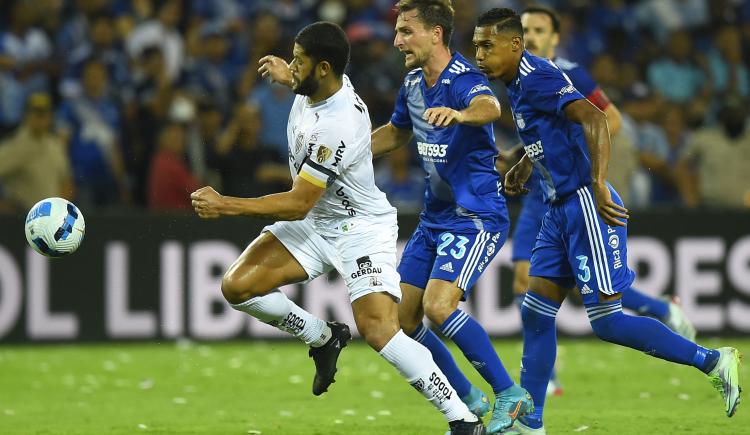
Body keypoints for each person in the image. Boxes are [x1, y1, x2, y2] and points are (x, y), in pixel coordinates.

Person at [191, 22, 486, 435]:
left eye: (299, 62)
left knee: (381, 330)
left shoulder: (337, 123)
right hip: (319, 223)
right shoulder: (317, 87)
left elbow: (296, 203)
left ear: (324, 69)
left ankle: (463, 419)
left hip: (359, 228)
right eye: (292, 59)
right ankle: (322, 336)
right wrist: (288, 73)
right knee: (237, 286)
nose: (292, 67)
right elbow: (305, 206)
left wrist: (226, 205)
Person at [473, 8, 741, 434]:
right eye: (476, 46)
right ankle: (531, 423)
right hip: (556, 209)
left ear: (514, 45)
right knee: (536, 312)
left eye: (487, 46)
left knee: (607, 321)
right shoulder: (518, 82)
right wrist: (525, 161)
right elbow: (551, 130)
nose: (479, 55)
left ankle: (712, 360)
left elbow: (595, 117)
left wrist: (598, 182)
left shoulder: (538, 76)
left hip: (583, 205)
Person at [510, 6, 697, 396]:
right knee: (527, 284)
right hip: (543, 197)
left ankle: (662, 312)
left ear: (555, 37)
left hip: (576, 189)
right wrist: (533, 157)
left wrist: (583, 157)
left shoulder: (569, 73)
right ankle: (544, 386)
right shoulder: (517, 78)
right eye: (525, 29)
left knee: (588, 294)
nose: (531, 37)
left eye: (539, 30)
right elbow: (543, 131)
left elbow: (609, 119)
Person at [371, 1, 532, 432]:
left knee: (439, 306)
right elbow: (398, 132)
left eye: (406, 31)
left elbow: (489, 108)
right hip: (433, 218)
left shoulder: (464, 79)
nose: (397, 40)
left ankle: (510, 394)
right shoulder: (411, 83)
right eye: (397, 31)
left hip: (475, 215)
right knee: (402, 319)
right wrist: (346, 154)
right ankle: (468, 395)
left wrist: (459, 114)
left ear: (436, 35)